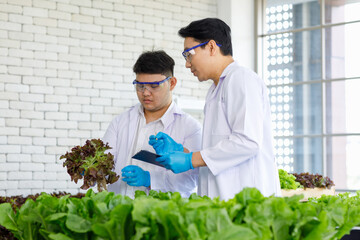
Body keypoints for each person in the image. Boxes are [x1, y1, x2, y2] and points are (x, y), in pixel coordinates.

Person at [149, 18, 281, 200]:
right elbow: (218, 150)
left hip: (247, 201)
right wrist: (182, 152)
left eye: (189, 54)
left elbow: (247, 141)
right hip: (223, 200)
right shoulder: (215, 90)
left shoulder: (241, 79)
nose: (187, 64)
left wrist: (190, 160)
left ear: (211, 47)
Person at [102, 50, 202, 198]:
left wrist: (150, 180)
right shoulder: (120, 122)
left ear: (172, 83)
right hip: (119, 211)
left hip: (162, 216)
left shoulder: (190, 127)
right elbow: (105, 161)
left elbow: (191, 182)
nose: (145, 93)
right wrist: (94, 168)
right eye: (140, 86)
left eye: (154, 86)